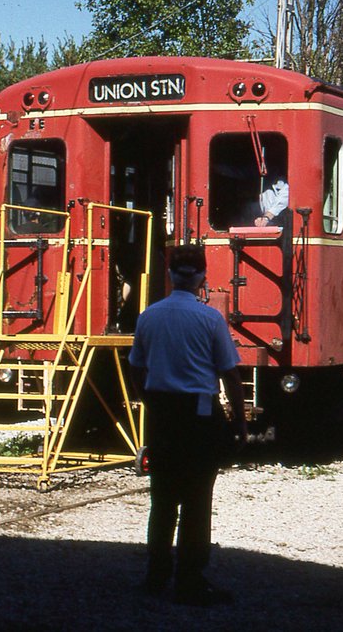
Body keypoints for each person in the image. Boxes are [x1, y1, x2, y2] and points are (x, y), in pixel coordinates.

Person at [127, 243, 248, 606]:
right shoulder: (210, 319)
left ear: (169, 275)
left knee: (162, 499)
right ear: (202, 277)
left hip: (162, 414)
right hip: (199, 415)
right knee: (197, 500)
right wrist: (240, 422)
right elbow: (230, 375)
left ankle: (156, 574)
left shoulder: (148, 316)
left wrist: (148, 399)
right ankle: (190, 579)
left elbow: (136, 366)